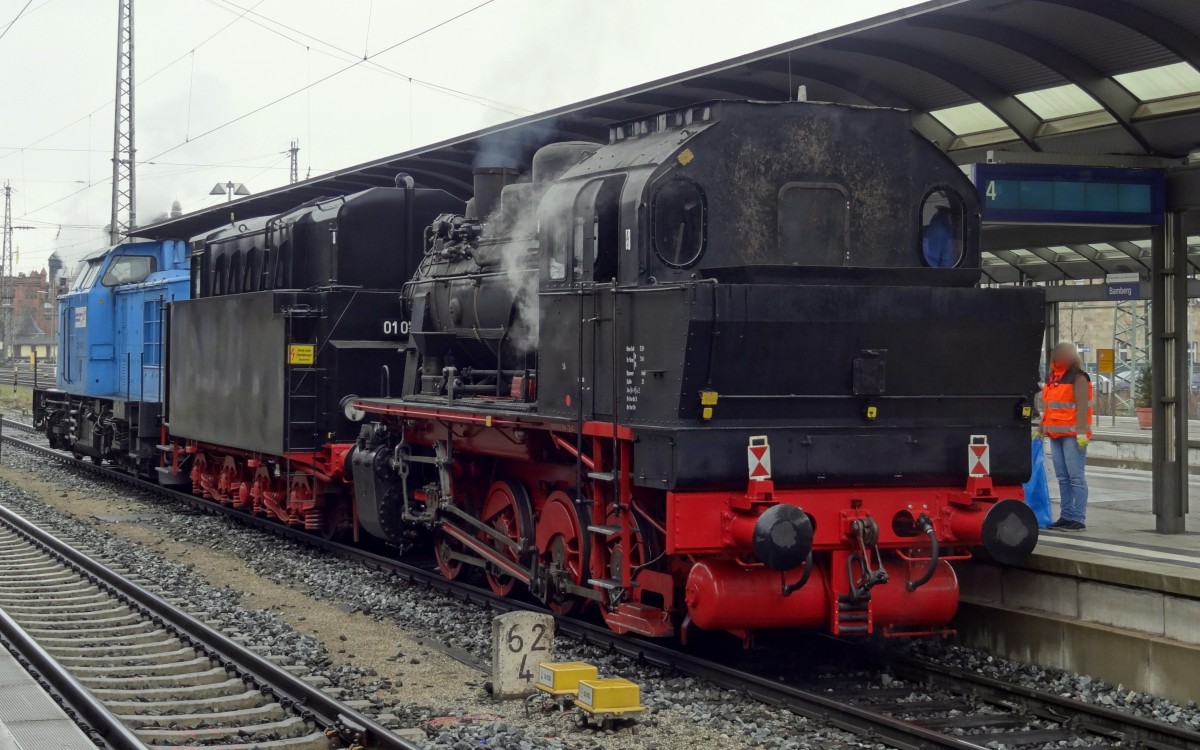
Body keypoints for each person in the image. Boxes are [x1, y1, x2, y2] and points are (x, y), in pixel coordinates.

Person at [1038, 342, 1093, 530]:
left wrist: (1081, 433)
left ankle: (1078, 518)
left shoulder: (1078, 378)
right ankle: (1066, 515)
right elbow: (1048, 406)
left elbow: (1083, 408)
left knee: (1076, 477)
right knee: (1063, 477)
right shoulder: (1052, 378)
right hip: (1055, 434)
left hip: (1072, 435)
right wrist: (1041, 428)